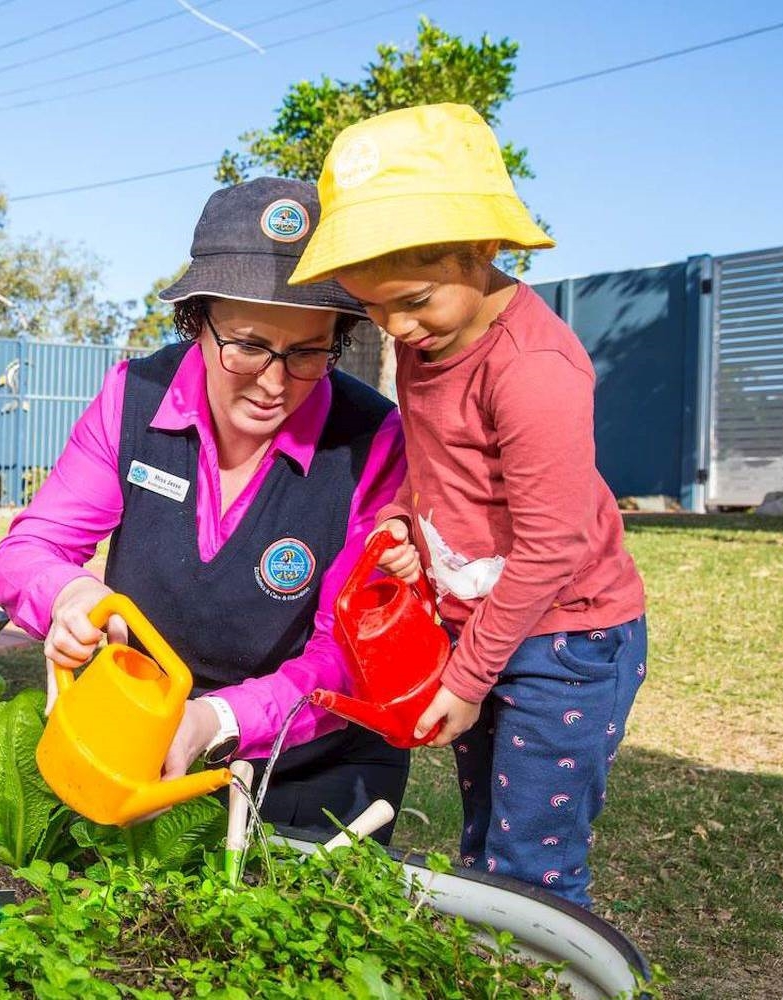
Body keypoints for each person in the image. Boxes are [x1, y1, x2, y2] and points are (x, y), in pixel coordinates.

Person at [289, 103, 648, 907]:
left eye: (412, 300)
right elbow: (434, 461)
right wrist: (400, 520)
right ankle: (495, 959)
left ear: (482, 249)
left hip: (566, 637)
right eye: (373, 309)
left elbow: (551, 546)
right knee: (487, 835)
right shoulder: (427, 342)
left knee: (534, 857)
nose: (396, 327)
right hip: (485, 628)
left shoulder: (533, 370)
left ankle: (548, 973)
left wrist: (468, 677)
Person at [0, 176, 411, 841]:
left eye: (307, 353)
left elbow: (348, 658)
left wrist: (210, 722)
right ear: (197, 319)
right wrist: (68, 596)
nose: (274, 384)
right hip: (144, 742)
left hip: (312, 773)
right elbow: (28, 551)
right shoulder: (134, 399)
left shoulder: (372, 443)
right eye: (248, 345)